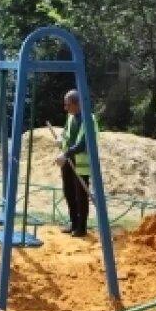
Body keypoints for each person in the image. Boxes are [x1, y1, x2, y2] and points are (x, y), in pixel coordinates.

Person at [55, 89, 97, 238]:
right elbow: (66, 133)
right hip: (68, 160)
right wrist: (60, 139)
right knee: (69, 193)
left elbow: (83, 144)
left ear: (77, 104)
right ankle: (73, 223)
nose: (65, 108)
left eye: (68, 105)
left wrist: (65, 154)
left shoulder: (89, 120)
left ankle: (81, 228)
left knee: (81, 196)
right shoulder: (71, 117)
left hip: (81, 163)